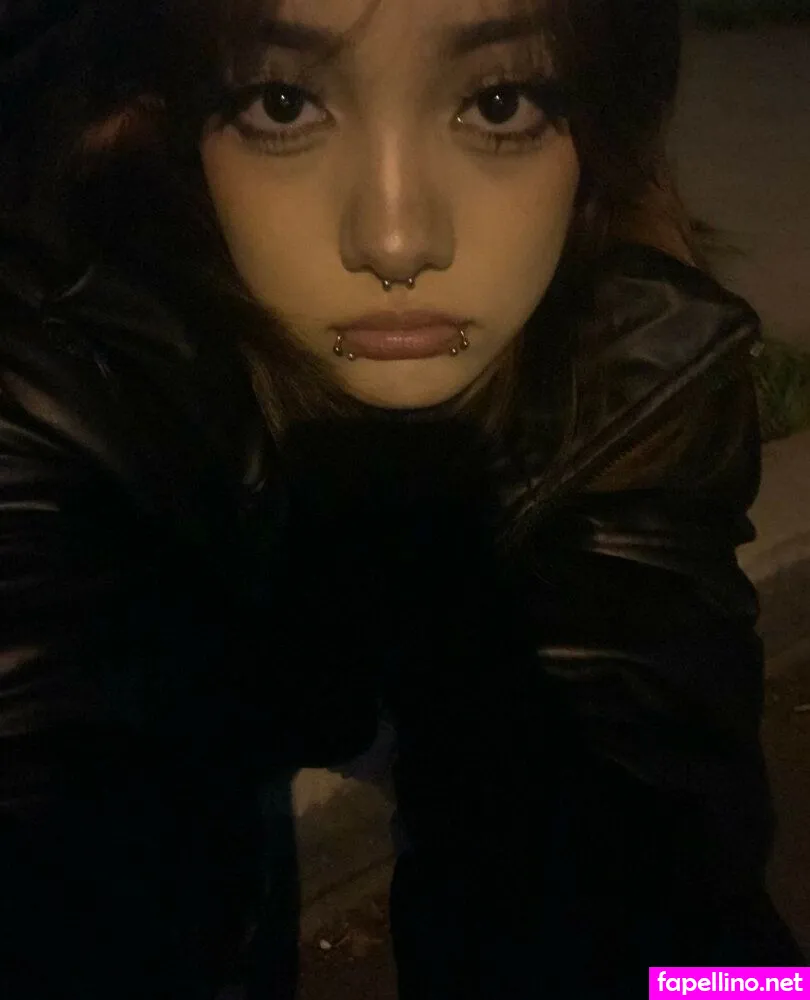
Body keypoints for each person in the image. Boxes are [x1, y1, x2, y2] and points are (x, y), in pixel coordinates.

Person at [0, 0, 801, 997]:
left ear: (598, 123)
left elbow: (658, 892)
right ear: (156, 120)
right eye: (281, 103)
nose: (394, 239)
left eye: (501, 103)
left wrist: (737, 983)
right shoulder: (66, 381)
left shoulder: (636, 370)